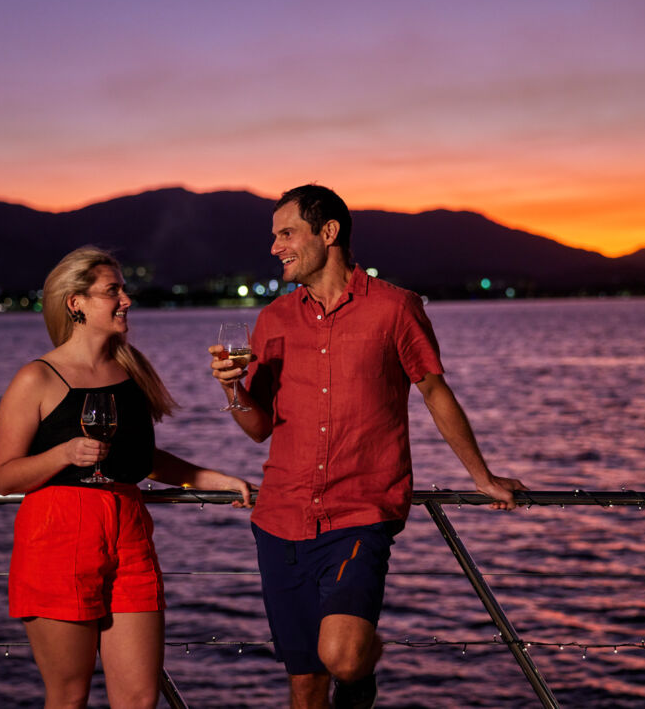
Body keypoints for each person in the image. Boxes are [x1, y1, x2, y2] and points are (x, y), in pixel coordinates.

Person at [210, 184, 526, 709]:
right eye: (274, 237)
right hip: (279, 519)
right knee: (306, 687)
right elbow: (259, 426)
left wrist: (481, 477)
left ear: (327, 233)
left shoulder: (395, 308)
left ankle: (361, 677)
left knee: (345, 657)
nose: (275, 247)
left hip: (359, 512)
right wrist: (230, 390)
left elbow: (433, 389)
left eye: (286, 233)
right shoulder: (272, 321)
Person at [0, 246, 253, 709]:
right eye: (112, 290)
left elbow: (141, 457)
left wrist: (211, 478)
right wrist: (64, 453)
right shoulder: (36, 378)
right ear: (75, 302)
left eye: (124, 289)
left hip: (129, 533)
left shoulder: (131, 368)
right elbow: (4, 476)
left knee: (138, 697)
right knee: (70, 695)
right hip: (57, 535)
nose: (126, 299)